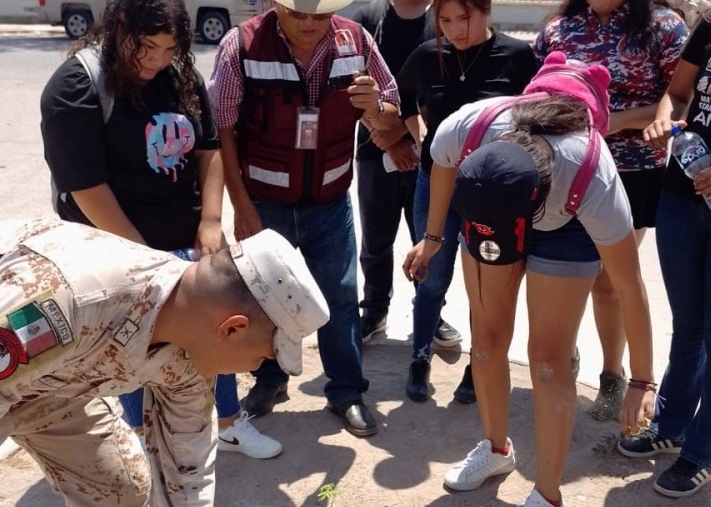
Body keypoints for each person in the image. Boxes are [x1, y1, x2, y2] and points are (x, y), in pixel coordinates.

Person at [0, 219, 329, 507]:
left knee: (117, 492)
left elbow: (187, 480)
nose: (258, 367)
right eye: (265, 354)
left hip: (40, 382)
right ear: (232, 328)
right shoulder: (66, 299)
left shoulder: (191, 353)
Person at [404, 64, 655, 507]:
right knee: (488, 341)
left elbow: (630, 284)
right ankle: (496, 450)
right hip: (494, 210)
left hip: (567, 225)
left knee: (547, 361)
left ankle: (548, 501)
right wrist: (434, 238)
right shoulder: (469, 125)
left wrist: (643, 379)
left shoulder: (592, 174)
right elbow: (440, 164)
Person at [40, 0, 280, 458]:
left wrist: (211, 221)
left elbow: (209, 149)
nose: (156, 60)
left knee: (217, 326)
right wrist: (139, 256)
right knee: (133, 343)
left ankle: (228, 422)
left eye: (169, 49)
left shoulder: (180, 77)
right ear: (119, 27)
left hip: (187, 239)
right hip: (115, 246)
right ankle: (140, 437)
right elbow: (85, 185)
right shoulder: (77, 85)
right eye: (146, 47)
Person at [208, 0, 400, 437]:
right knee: (265, 300)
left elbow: (390, 119)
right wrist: (241, 204)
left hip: (331, 202)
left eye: (321, 15)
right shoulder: (240, 46)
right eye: (300, 15)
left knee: (341, 299)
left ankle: (347, 392)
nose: (311, 24)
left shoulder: (358, 41)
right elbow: (222, 129)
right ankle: (270, 382)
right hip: (265, 203)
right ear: (276, 7)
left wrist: (373, 108)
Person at [534, 0, 688, 422]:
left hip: (632, 170)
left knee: (608, 280)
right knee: (561, 270)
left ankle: (613, 375)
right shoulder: (559, 28)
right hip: (565, 168)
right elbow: (536, 91)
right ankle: (564, 355)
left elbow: (680, 98)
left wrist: (617, 121)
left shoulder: (664, 26)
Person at [396, 0, 537, 402]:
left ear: (486, 11)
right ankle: (419, 358)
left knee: (484, 283)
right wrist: (418, 133)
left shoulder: (516, 56)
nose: (456, 30)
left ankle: (479, 367)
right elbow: (402, 93)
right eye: (445, 21)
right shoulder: (428, 54)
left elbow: (537, 112)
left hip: (492, 193)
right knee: (431, 274)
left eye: (465, 18)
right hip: (434, 181)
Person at [618, 8, 711, 497]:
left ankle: (703, 451)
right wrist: (663, 121)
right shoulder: (710, 24)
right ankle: (672, 427)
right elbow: (677, 95)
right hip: (682, 194)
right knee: (690, 324)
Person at [351, 0, 448, 345]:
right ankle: (375, 309)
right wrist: (387, 139)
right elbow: (350, 86)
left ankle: (432, 312)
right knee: (376, 240)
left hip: (431, 150)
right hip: (372, 148)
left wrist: (404, 135)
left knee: (428, 237)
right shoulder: (366, 19)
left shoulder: (443, 18)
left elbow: (445, 89)